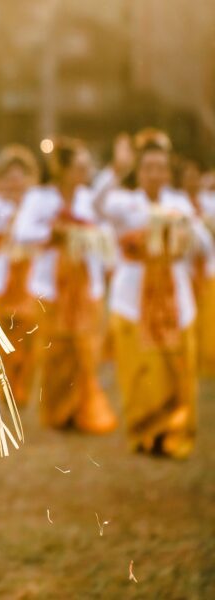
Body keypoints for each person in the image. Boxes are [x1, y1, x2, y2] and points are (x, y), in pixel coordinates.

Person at [96, 129, 206, 458]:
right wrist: (116, 169)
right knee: (138, 368)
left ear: (168, 171)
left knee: (176, 365)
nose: (155, 174)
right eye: (148, 168)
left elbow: (202, 245)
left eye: (161, 167)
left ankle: (174, 434)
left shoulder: (179, 203)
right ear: (139, 171)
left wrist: (183, 229)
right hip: (132, 295)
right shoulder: (123, 202)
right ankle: (145, 433)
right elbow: (96, 203)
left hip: (174, 294)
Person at [12, 139, 118, 433]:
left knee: (86, 348)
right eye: (81, 166)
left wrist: (86, 234)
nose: (87, 171)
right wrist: (54, 232)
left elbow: (105, 229)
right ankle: (58, 412)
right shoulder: (39, 198)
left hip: (87, 285)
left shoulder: (89, 198)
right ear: (64, 170)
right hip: (49, 285)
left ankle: (85, 411)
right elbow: (22, 232)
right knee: (56, 348)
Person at [0, 146, 40, 407]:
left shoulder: (38, 207)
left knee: (29, 336)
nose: (16, 182)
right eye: (10, 176)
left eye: (21, 176)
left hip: (30, 276)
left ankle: (23, 386)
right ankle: (7, 387)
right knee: (4, 334)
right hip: (3, 280)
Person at [175, 157, 215, 375]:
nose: (192, 181)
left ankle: (207, 363)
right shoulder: (176, 202)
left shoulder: (209, 202)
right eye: (188, 176)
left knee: (209, 318)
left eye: (195, 176)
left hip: (208, 268)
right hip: (187, 270)